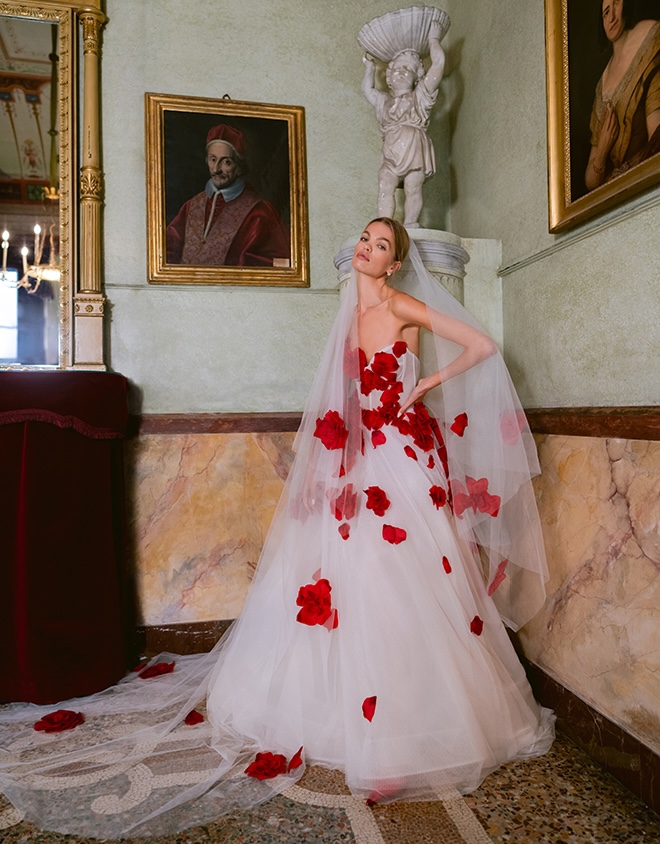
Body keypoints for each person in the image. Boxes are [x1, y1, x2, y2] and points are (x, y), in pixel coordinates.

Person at [0, 219, 554, 838]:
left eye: (381, 246)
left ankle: (413, 726)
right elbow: (344, 398)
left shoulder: (401, 304)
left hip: (405, 454)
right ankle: (344, 708)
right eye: (366, 241)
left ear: (394, 265)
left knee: (408, 570)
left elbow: (481, 346)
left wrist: (423, 383)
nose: (367, 250)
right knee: (349, 572)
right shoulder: (348, 313)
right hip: (367, 454)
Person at [166, 124, 291, 266]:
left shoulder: (260, 212)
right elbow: (167, 252)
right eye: (213, 159)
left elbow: (283, 263)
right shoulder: (191, 206)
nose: (217, 169)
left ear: (239, 168)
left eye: (226, 162)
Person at [362, 20, 446, 227]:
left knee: (413, 187)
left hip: (414, 146)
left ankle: (410, 224)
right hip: (391, 149)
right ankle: (384, 226)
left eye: (408, 69)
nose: (401, 72)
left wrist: (433, 39)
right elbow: (367, 90)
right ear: (389, 77)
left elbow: (439, 65)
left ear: (417, 77)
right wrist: (370, 69)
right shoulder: (384, 101)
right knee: (385, 184)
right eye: (397, 69)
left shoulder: (420, 96)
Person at [585, 0, 660, 191]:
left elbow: (656, 141)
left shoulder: (649, 37)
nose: (611, 17)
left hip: (645, 181)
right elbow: (589, 181)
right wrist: (602, 150)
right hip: (614, 191)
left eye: (616, 3)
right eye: (605, 12)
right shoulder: (601, 83)